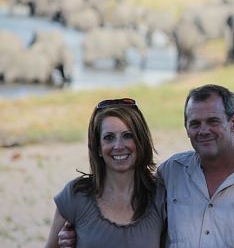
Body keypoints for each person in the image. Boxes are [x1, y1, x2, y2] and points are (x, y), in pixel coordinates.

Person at [57, 84, 234, 247]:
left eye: (213, 121)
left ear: (233, 122)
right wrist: (81, 235)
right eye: (195, 123)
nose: (203, 131)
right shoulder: (171, 174)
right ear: (186, 127)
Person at [45, 98, 166, 248]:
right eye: (109, 138)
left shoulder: (160, 197)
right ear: (98, 148)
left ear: (140, 141)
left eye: (128, 136)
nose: (119, 146)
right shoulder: (75, 196)